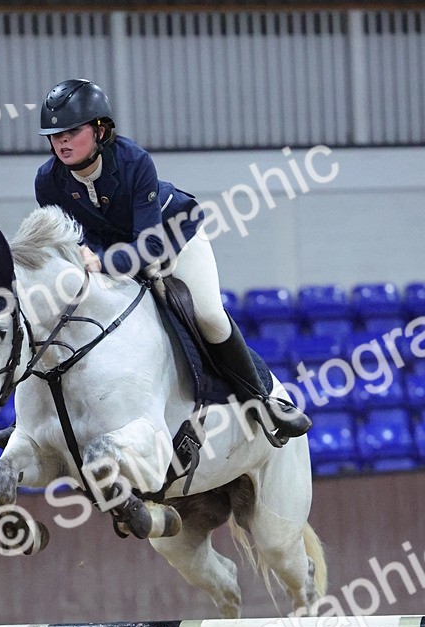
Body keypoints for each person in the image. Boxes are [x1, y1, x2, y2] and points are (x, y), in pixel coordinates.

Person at [34, 79, 311, 445]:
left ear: (100, 129)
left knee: (209, 315)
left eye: (72, 131)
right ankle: (35, 425)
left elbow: (148, 248)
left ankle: (262, 399)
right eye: (55, 135)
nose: (62, 142)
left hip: (172, 239)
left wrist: (100, 261)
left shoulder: (134, 162)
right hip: (108, 255)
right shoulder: (47, 181)